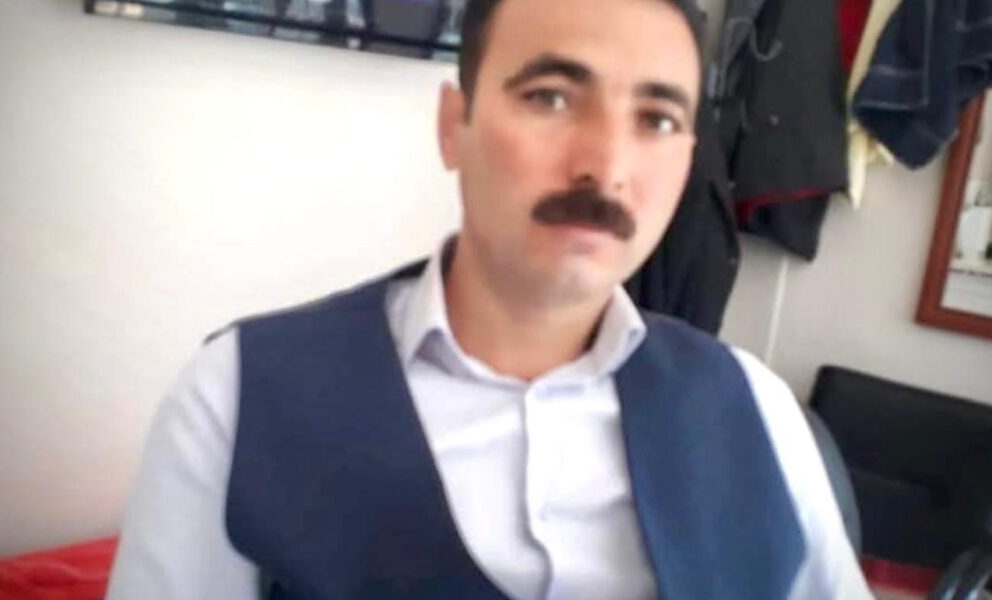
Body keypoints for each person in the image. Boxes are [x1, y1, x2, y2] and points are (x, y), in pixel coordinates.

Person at [105, 0, 873, 598]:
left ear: (687, 161)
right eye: (552, 98)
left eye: (656, 119)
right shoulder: (236, 396)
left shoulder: (758, 411)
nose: (605, 165)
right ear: (454, 127)